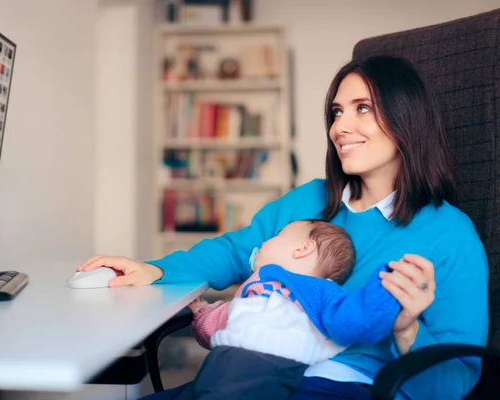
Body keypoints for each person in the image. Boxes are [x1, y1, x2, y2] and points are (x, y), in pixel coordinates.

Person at [78, 55, 489, 400]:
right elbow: (236, 251)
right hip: (249, 371)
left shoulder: (450, 235)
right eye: (336, 112)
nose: (339, 128)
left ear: (408, 119)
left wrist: (406, 330)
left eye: (362, 108)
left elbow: (455, 379)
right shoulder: (310, 200)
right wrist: (158, 271)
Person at [176, 219, 401, 399]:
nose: (263, 244)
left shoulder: (318, 289)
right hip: (225, 356)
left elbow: (353, 319)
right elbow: (222, 322)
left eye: (276, 237)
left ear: (303, 249)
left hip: (268, 359)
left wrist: (383, 288)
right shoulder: (256, 287)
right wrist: (202, 313)